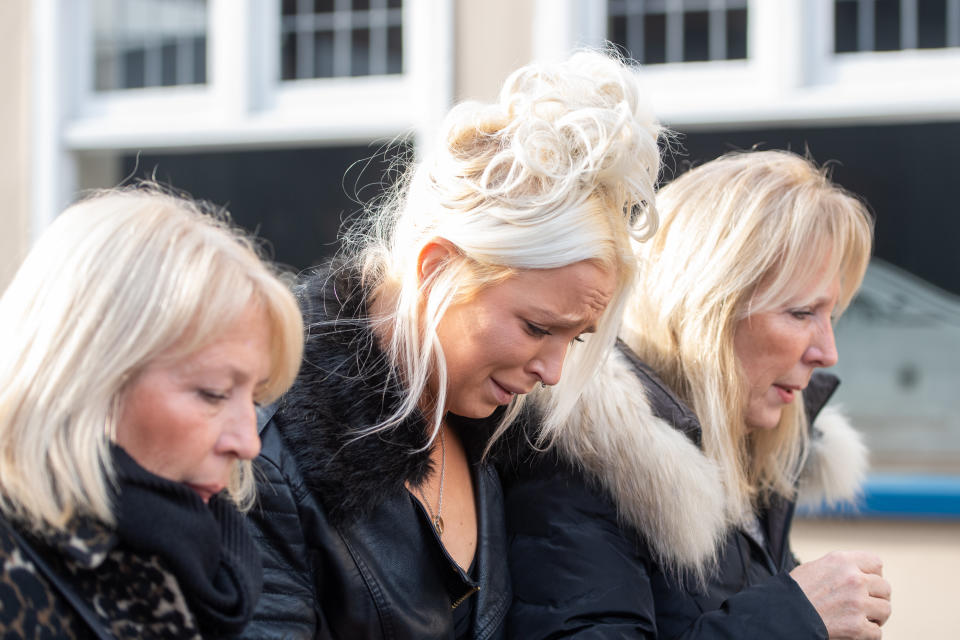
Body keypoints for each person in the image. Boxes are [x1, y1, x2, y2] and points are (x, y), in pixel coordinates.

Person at [241, 49, 664, 640]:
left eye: (577, 336)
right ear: (437, 269)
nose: (554, 371)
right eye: (538, 327)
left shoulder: (502, 437)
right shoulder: (263, 442)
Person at [503, 150, 893, 639]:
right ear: (708, 310)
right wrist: (795, 617)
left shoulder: (747, 455)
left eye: (829, 317)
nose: (826, 352)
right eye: (800, 314)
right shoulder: (586, 462)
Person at [0, 187, 304, 638]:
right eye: (214, 392)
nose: (249, 441)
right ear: (86, 376)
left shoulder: (199, 562)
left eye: (255, 399)